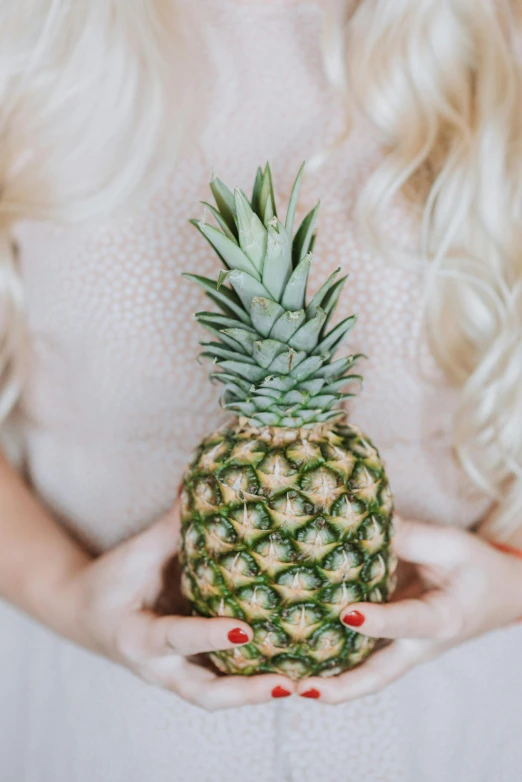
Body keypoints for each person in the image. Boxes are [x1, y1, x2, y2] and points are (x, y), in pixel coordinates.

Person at [1, 0, 522, 780]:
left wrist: (513, 581)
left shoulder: (499, 44)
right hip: (99, 725)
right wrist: (63, 593)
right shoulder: (25, 51)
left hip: (455, 726)